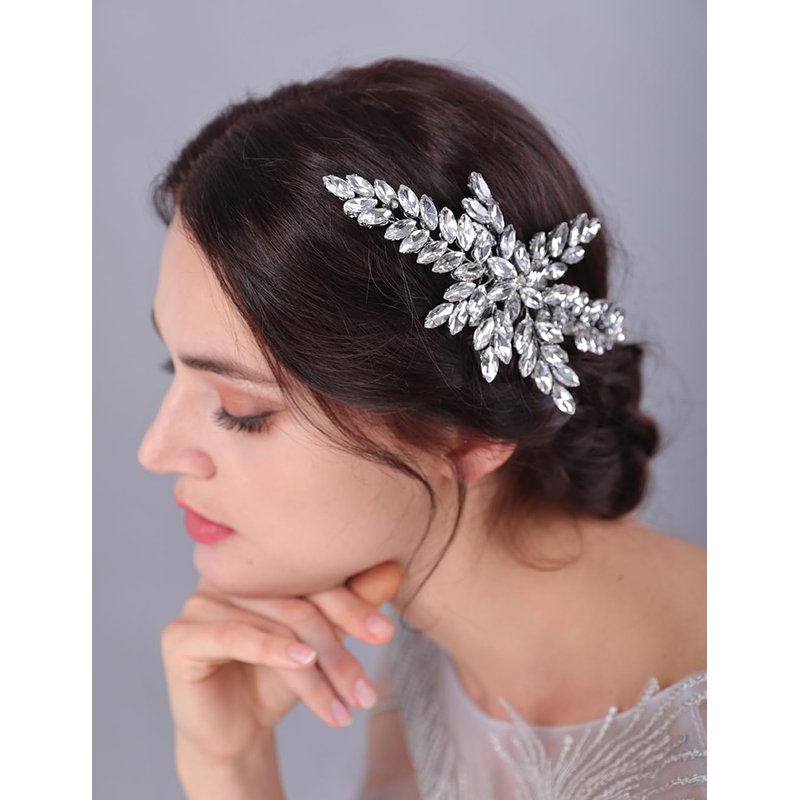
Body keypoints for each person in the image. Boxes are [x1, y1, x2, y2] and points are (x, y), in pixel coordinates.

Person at [137, 56, 706, 799]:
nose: (156, 451)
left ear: (464, 433)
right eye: (171, 370)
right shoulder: (429, 663)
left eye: (241, 412)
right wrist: (229, 767)